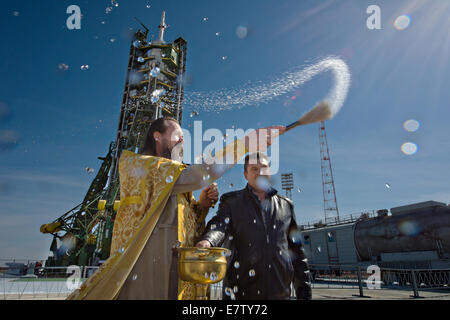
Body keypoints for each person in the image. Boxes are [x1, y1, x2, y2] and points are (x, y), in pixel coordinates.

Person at [67, 117, 284, 300]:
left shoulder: (171, 178)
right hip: (146, 271)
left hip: (175, 269)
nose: (182, 139)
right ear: (157, 136)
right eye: (177, 134)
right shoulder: (139, 165)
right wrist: (246, 143)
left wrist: (201, 206)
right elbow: (198, 174)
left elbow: (184, 225)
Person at [197, 152, 312, 300]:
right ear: (246, 174)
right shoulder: (232, 202)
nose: (260, 172)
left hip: (280, 294)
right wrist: (208, 240)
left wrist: (305, 295)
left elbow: (298, 255)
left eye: (264, 167)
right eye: (254, 169)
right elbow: (219, 225)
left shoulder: (286, 206)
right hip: (240, 296)